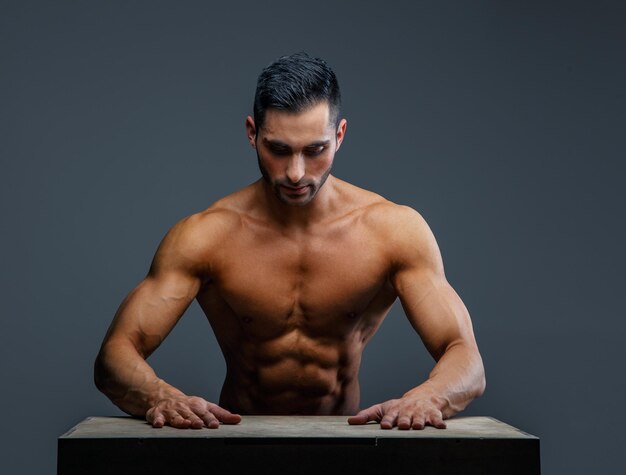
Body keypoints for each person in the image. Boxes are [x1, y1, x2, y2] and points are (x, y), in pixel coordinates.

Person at [94, 52, 485, 431]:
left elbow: (465, 357)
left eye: (315, 150)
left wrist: (430, 397)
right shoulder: (205, 237)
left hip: (342, 450)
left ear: (340, 135)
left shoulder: (393, 232)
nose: (296, 173)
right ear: (252, 134)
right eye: (278, 150)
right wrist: (159, 397)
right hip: (237, 449)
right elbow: (114, 355)